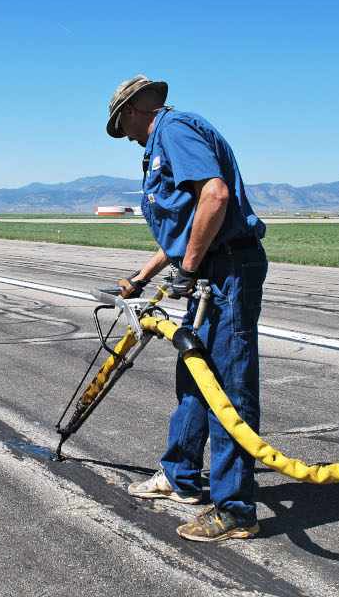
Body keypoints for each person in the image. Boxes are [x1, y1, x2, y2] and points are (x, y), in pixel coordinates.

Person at [107, 75, 268, 542]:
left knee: (229, 385)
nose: (127, 137)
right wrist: (144, 276)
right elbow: (187, 225)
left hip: (229, 269)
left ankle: (236, 510)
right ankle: (180, 477)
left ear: (133, 110)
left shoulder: (173, 131)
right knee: (196, 375)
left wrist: (191, 269)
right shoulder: (167, 135)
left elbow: (215, 197)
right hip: (212, 267)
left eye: (124, 126)